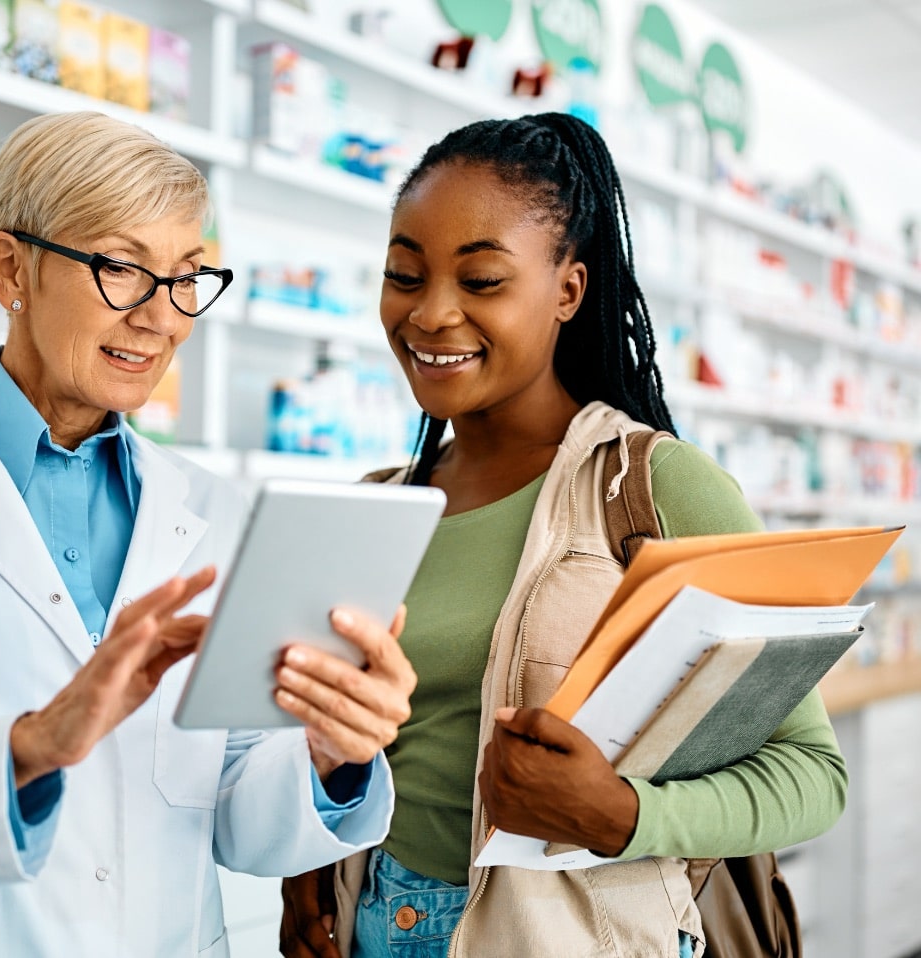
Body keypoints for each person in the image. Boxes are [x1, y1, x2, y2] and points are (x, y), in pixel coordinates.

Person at [0, 111, 417, 957]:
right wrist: (31, 748)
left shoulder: (214, 514)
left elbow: (241, 823)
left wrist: (332, 757)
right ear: (12, 268)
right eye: (122, 268)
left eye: (187, 278)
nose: (163, 318)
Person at [278, 113, 848, 958]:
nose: (431, 314)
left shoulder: (656, 489)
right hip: (373, 922)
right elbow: (332, 745)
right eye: (405, 274)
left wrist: (622, 815)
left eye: (481, 282)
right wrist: (306, 869)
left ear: (569, 291)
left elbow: (812, 773)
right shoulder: (376, 509)